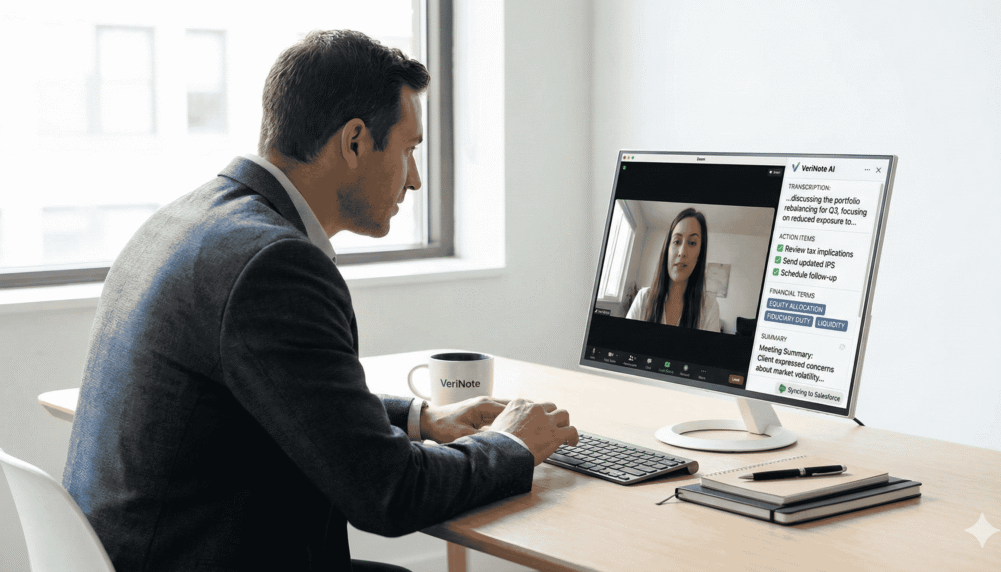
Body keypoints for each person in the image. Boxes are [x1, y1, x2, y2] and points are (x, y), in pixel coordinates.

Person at [63, 30, 578, 572]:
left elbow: (284, 398)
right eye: (409, 151)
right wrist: (510, 445)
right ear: (355, 141)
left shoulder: (186, 220)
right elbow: (388, 493)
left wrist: (420, 419)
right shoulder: (274, 265)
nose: (417, 180)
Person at [625, 208, 721, 331]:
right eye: (677, 241)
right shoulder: (644, 298)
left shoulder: (709, 307)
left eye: (692, 243)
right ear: (667, 250)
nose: (682, 252)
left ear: (699, 255)